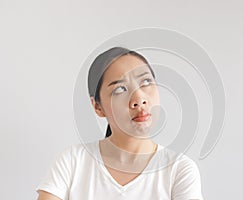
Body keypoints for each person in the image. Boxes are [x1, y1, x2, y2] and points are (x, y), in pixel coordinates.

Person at [36, 47, 203, 200]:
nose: (139, 99)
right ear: (97, 107)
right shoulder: (73, 162)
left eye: (145, 82)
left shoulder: (179, 170)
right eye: (120, 89)